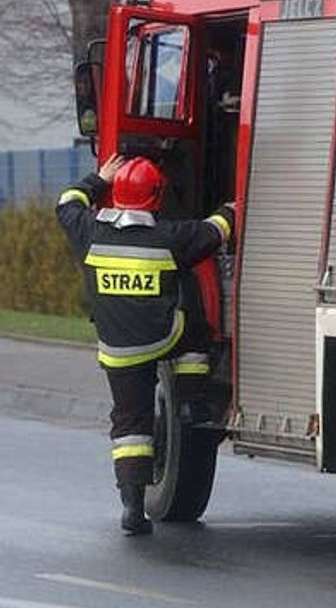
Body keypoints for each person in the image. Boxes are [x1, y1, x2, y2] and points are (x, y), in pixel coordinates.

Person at [56, 153, 234, 535]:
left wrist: (99, 179)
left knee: (130, 426)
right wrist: (234, 207)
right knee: (197, 330)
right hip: (163, 338)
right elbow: (215, 231)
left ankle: (133, 508)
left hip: (117, 350)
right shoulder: (168, 238)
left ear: (117, 194)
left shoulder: (89, 233)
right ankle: (190, 401)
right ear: (156, 197)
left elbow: (67, 203)